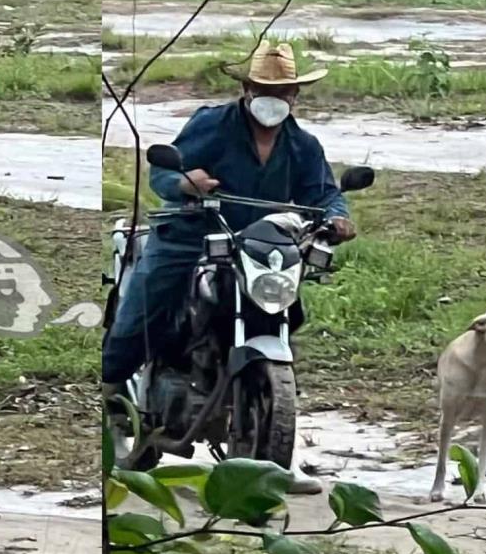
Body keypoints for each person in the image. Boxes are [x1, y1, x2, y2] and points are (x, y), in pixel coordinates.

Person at [102, 40, 357, 493]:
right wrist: (186, 182)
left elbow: (323, 193)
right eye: (263, 88)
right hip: (193, 235)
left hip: (262, 247)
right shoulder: (213, 125)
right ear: (246, 87)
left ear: (295, 95)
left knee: (287, 311)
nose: (273, 99)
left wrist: (336, 216)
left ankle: (272, 459)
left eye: (283, 91)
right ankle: (107, 391)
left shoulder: (302, 144)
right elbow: (162, 173)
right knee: (149, 305)